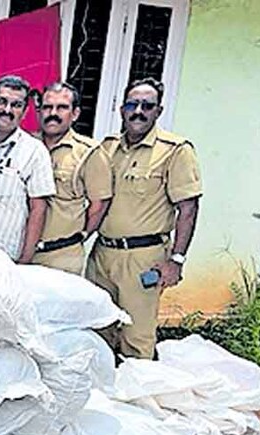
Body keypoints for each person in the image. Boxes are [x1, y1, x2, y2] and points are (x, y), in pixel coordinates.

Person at [88, 77, 202, 359]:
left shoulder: (175, 151)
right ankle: (107, 400)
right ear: (121, 109)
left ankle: (139, 399)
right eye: (132, 104)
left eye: (147, 106)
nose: (138, 111)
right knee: (97, 330)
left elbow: (188, 208)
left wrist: (176, 259)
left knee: (136, 338)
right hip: (102, 255)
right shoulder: (107, 148)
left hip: (144, 258)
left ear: (158, 111)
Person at [33, 82, 113, 275]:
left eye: (62, 107)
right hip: (22, 253)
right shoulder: (27, 146)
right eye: (47, 107)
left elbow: (99, 204)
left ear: (75, 114)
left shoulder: (88, 153)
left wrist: (81, 235)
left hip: (62, 257)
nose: (53, 113)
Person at [0, 75, 55, 262]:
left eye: (16, 105)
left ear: (25, 110)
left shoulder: (35, 151)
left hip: (7, 256)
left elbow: (38, 209)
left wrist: (25, 260)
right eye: (1, 102)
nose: (7, 110)